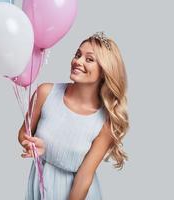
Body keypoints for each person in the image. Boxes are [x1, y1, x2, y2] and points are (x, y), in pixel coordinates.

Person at [18, 32, 130, 200]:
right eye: (78, 54)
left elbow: (84, 177)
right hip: (40, 186)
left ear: (104, 71)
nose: (77, 61)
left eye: (89, 59)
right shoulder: (45, 92)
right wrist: (32, 146)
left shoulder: (104, 122)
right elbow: (23, 134)